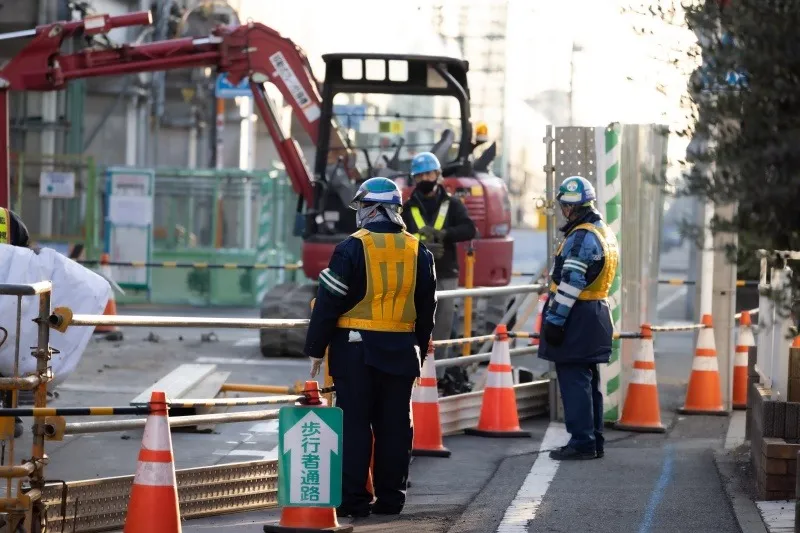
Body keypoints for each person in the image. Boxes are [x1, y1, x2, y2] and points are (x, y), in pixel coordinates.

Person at [304, 177, 437, 518]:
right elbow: (427, 309)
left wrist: (316, 348)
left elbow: (328, 303)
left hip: (355, 352)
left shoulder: (350, 248)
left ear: (376, 209)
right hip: (402, 351)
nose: (360, 212)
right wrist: (419, 348)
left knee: (355, 425)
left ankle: (354, 501)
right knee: (395, 428)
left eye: (363, 206)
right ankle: (391, 500)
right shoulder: (419, 250)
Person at [538, 175, 619, 461]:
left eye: (564, 206)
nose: (563, 211)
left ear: (569, 207)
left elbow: (571, 283)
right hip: (596, 312)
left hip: (576, 316)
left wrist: (555, 322)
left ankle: (582, 442)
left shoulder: (580, 237)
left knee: (574, 382)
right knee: (588, 382)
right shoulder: (603, 232)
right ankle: (594, 440)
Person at [402, 152, 476, 392]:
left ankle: (438, 376)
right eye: (420, 175)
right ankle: (414, 374)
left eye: (429, 174)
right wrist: (418, 244)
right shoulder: (407, 207)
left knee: (442, 327)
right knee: (414, 326)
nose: (425, 179)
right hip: (416, 274)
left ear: (438, 175)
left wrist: (445, 235)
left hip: (445, 274)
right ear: (415, 178)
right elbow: (398, 237)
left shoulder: (452, 205)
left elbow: (469, 229)